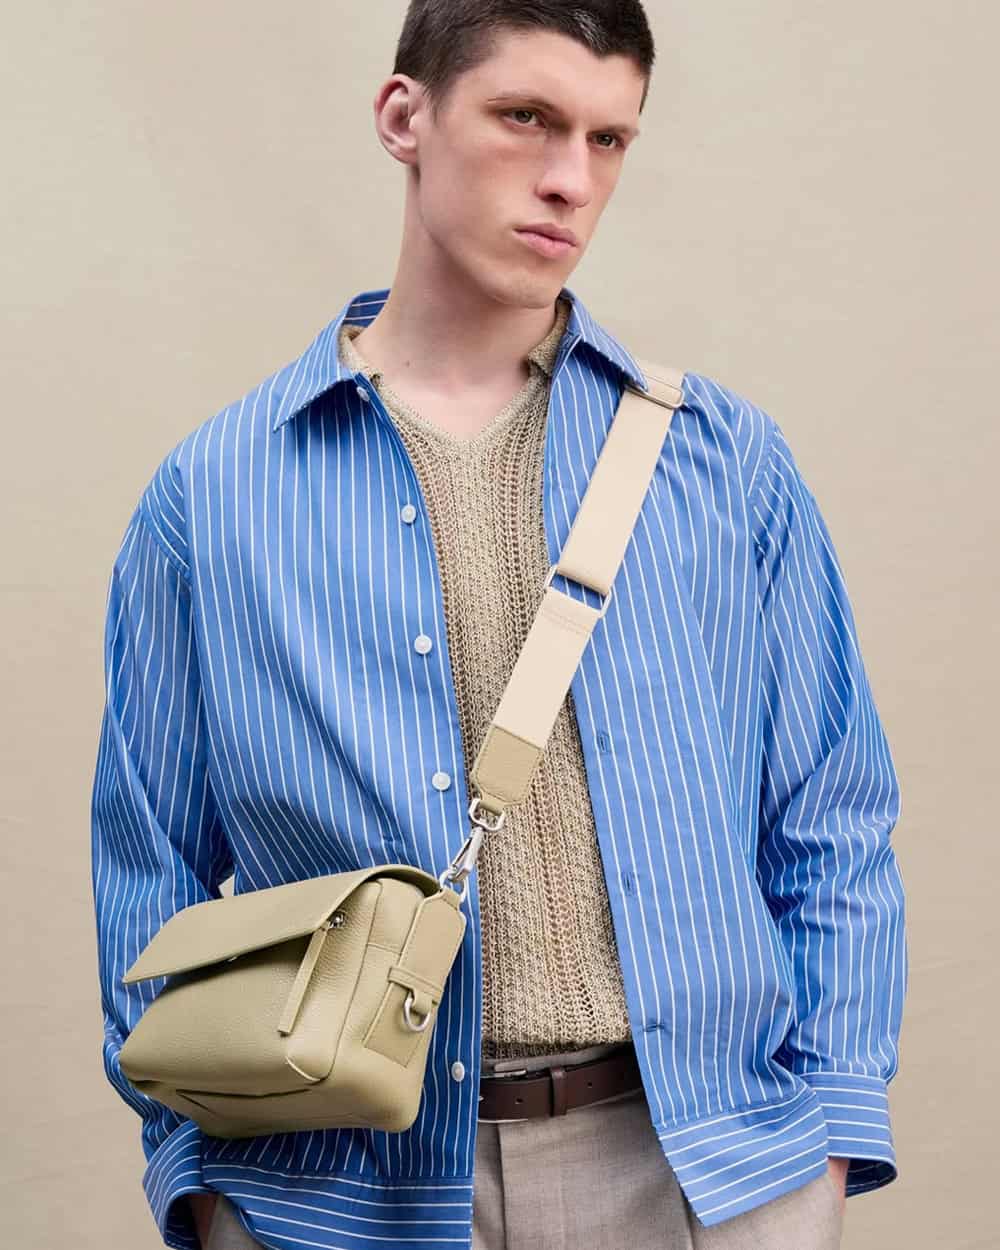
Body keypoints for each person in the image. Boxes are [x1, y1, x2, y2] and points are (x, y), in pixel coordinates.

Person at [89, 3, 908, 1249]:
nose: (570, 179)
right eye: (526, 117)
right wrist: (201, 1191)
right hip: (341, 1194)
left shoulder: (725, 463)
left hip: (704, 1174)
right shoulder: (211, 495)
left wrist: (825, 1154)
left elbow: (830, 814)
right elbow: (146, 865)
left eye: (608, 139)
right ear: (403, 117)